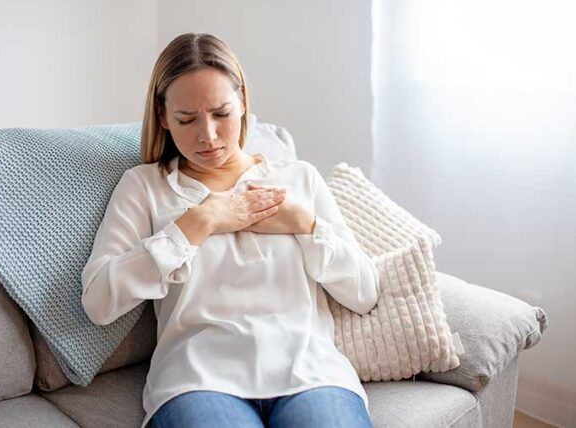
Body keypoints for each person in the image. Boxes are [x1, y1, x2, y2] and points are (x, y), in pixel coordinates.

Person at [81, 32, 379, 428]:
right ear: (163, 116)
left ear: (242, 103)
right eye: (187, 119)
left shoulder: (299, 178)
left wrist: (303, 224)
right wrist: (196, 224)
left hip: (312, 374)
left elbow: (364, 292)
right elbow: (99, 301)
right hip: (198, 380)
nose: (207, 135)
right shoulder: (144, 186)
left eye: (221, 113)